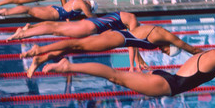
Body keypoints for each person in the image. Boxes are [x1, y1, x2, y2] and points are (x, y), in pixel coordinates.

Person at [42, 34, 215, 108]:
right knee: (114, 76)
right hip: (165, 84)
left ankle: (68, 66)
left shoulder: (211, 52)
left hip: (165, 77)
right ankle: (66, 66)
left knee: (117, 77)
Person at [21, 22, 203, 77]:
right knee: (76, 45)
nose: (162, 52)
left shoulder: (158, 38)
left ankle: (41, 59)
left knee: (76, 48)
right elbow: (186, 46)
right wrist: (204, 54)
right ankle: (40, 49)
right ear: (168, 46)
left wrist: (138, 61)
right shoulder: (163, 34)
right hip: (118, 38)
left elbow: (136, 41)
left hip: (120, 38)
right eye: (166, 51)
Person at [7, 11, 137, 41]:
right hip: (91, 27)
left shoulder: (127, 16)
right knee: (55, 30)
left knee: (56, 27)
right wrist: (134, 64)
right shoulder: (133, 21)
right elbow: (132, 42)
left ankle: (27, 30)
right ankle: (23, 34)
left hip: (90, 24)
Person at [0, 0, 96, 21]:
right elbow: (89, 16)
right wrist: (102, 19)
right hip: (55, 13)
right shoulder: (82, 4)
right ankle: (5, 12)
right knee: (29, 10)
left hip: (56, 9)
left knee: (30, 9)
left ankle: (5, 11)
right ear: (90, 6)